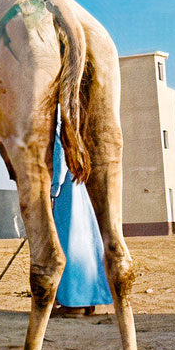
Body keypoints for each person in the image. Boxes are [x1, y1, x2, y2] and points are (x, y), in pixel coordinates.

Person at [50, 120, 112, 315]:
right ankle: (87, 300)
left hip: (64, 195)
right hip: (77, 190)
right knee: (84, 244)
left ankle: (73, 303)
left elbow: (58, 163)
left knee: (67, 244)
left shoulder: (57, 129)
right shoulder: (75, 132)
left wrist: (52, 191)